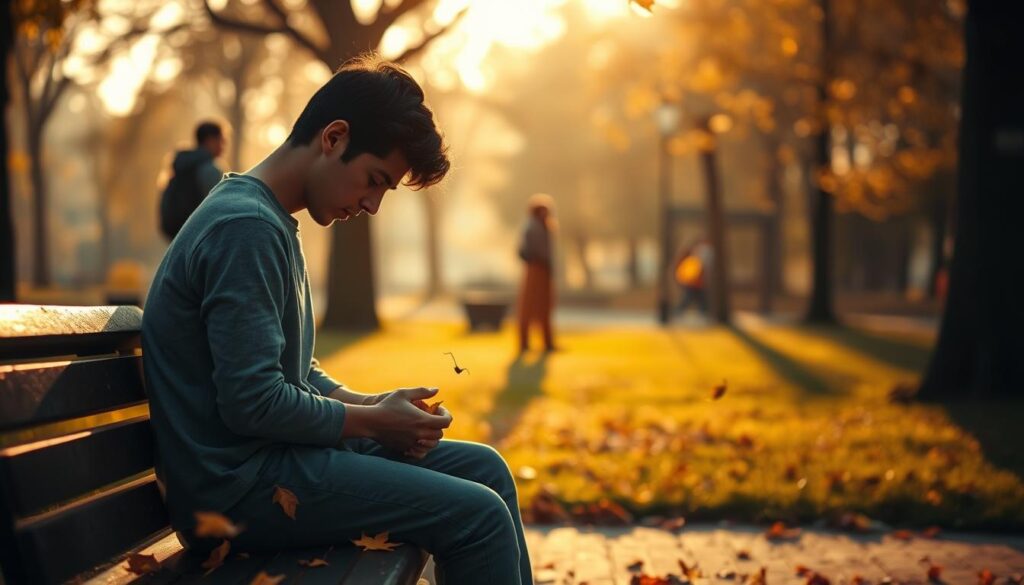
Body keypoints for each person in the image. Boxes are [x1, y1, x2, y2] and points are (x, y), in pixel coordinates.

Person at [142, 55, 532, 585]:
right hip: (239, 491)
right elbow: (253, 401)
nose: (372, 205)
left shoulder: (268, 220)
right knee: (478, 516)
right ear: (334, 137)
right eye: (374, 180)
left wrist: (376, 405)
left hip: (268, 465)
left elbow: (296, 375)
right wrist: (374, 423)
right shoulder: (245, 228)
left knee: (486, 469)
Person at [158, 120, 227, 240]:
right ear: (210, 140)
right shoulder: (209, 170)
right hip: (201, 234)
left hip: (178, 233)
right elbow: (220, 208)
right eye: (221, 140)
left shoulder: (181, 164)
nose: (224, 146)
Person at [516, 193, 557, 353]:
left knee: (545, 307)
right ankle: (524, 343)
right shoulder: (532, 226)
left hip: (544, 270)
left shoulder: (546, 226)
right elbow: (522, 250)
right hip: (535, 269)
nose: (544, 213)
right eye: (541, 210)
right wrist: (534, 261)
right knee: (529, 306)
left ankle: (548, 343)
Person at [674, 237, 713, 316]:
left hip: (694, 283)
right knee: (690, 298)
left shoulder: (694, 257)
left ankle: (704, 311)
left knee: (698, 298)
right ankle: (704, 311)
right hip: (692, 283)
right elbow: (692, 271)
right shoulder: (692, 258)